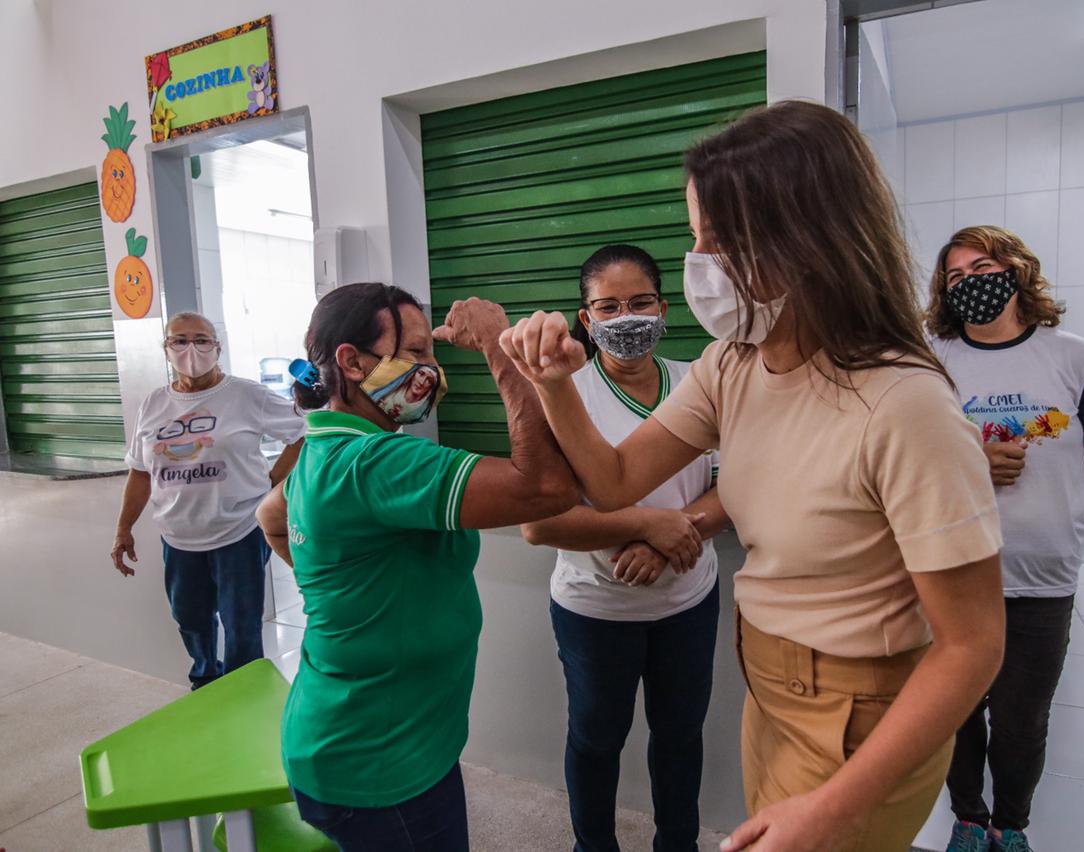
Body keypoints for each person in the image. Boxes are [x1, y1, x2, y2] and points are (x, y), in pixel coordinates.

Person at [498, 100, 1007, 852]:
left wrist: (834, 806)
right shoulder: (735, 364)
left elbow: (972, 646)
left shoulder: (904, 404)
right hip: (769, 683)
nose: (700, 263)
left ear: (808, 237)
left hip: (859, 710)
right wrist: (553, 381)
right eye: (695, 238)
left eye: (722, 241)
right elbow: (612, 481)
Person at [254, 283, 579, 852]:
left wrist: (347, 592)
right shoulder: (377, 463)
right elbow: (547, 488)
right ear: (351, 362)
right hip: (381, 763)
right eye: (417, 353)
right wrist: (502, 351)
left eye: (433, 352)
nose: (432, 369)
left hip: (365, 736)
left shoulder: (322, 450)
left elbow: (270, 518)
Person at [926, 226, 1084, 852]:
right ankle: (967, 815)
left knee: (1022, 720)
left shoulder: (1072, 357)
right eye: (955, 276)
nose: (970, 282)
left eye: (982, 266)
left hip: (1042, 574)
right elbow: (907, 461)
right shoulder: (932, 361)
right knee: (957, 710)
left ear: (1016, 271)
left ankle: (1009, 825)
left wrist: (1054, 492)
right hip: (955, 568)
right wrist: (972, 469)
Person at [520, 244, 728, 852]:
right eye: (608, 306)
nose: (626, 317)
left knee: (680, 735)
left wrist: (673, 538)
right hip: (595, 610)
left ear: (665, 309)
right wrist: (645, 525)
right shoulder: (560, 395)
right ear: (586, 320)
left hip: (689, 600)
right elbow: (541, 524)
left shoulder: (701, 381)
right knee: (595, 738)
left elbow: (738, 485)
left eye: (640, 303)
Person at [111, 312, 305, 689]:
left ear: (217, 347)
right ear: (166, 349)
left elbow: (302, 433)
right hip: (179, 537)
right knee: (190, 618)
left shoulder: (247, 395)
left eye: (201, 340)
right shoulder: (153, 404)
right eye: (179, 340)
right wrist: (123, 528)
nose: (191, 349)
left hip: (239, 532)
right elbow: (139, 471)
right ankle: (205, 681)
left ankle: (243, 691)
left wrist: (272, 481)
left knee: (241, 623)